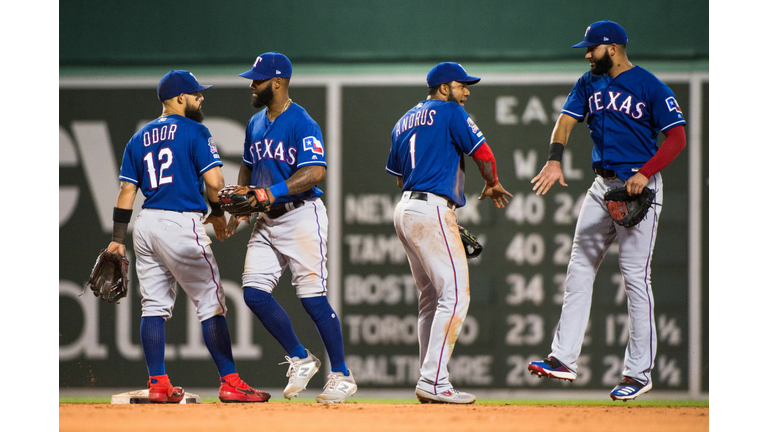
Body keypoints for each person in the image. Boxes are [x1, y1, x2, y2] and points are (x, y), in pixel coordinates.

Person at [527, 20, 687, 401]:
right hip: (603, 187)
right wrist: (554, 160)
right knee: (579, 265)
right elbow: (565, 122)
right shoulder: (588, 83)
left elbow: (677, 137)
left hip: (639, 187)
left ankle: (639, 373)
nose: (586, 54)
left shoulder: (650, 86)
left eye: (591, 48)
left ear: (612, 48)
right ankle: (563, 359)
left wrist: (647, 173)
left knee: (634, 278)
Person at [106, 70, 270, 403]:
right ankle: (231, 382)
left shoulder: (138, 138)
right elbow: (214, 181)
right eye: (196, 94)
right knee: (211, 301)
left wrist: (117, 239)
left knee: (153, 306)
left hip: (146, 225)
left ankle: (158, 383)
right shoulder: (196, 130)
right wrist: (221, 212)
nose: (201, 98)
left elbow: (126, 190)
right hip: (181, 225)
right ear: (180, 98)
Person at [227, 52, 357, 403]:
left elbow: (315, 172)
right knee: (253, 293)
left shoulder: (302, 122)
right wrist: (242, 205)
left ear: (278, 82)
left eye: (257, 80)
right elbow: (248, 166)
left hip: (302, 215)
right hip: (267, 218)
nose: (252, 85)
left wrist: (268, 192)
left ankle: (342, 374)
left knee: (312, 299)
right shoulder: (256, 123)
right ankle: (301, 357)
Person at [385, 62, 514, 404]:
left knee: (430, 298)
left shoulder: (402, 120)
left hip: (405, 209)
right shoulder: (450, 111)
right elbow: (483, 154)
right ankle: (434, 380)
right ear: (444, 88)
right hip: (432, 208)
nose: (467, 91)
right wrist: (493, 182)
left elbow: (399, 177)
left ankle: (430, 378)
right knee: (455, 296)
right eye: (462, 85)